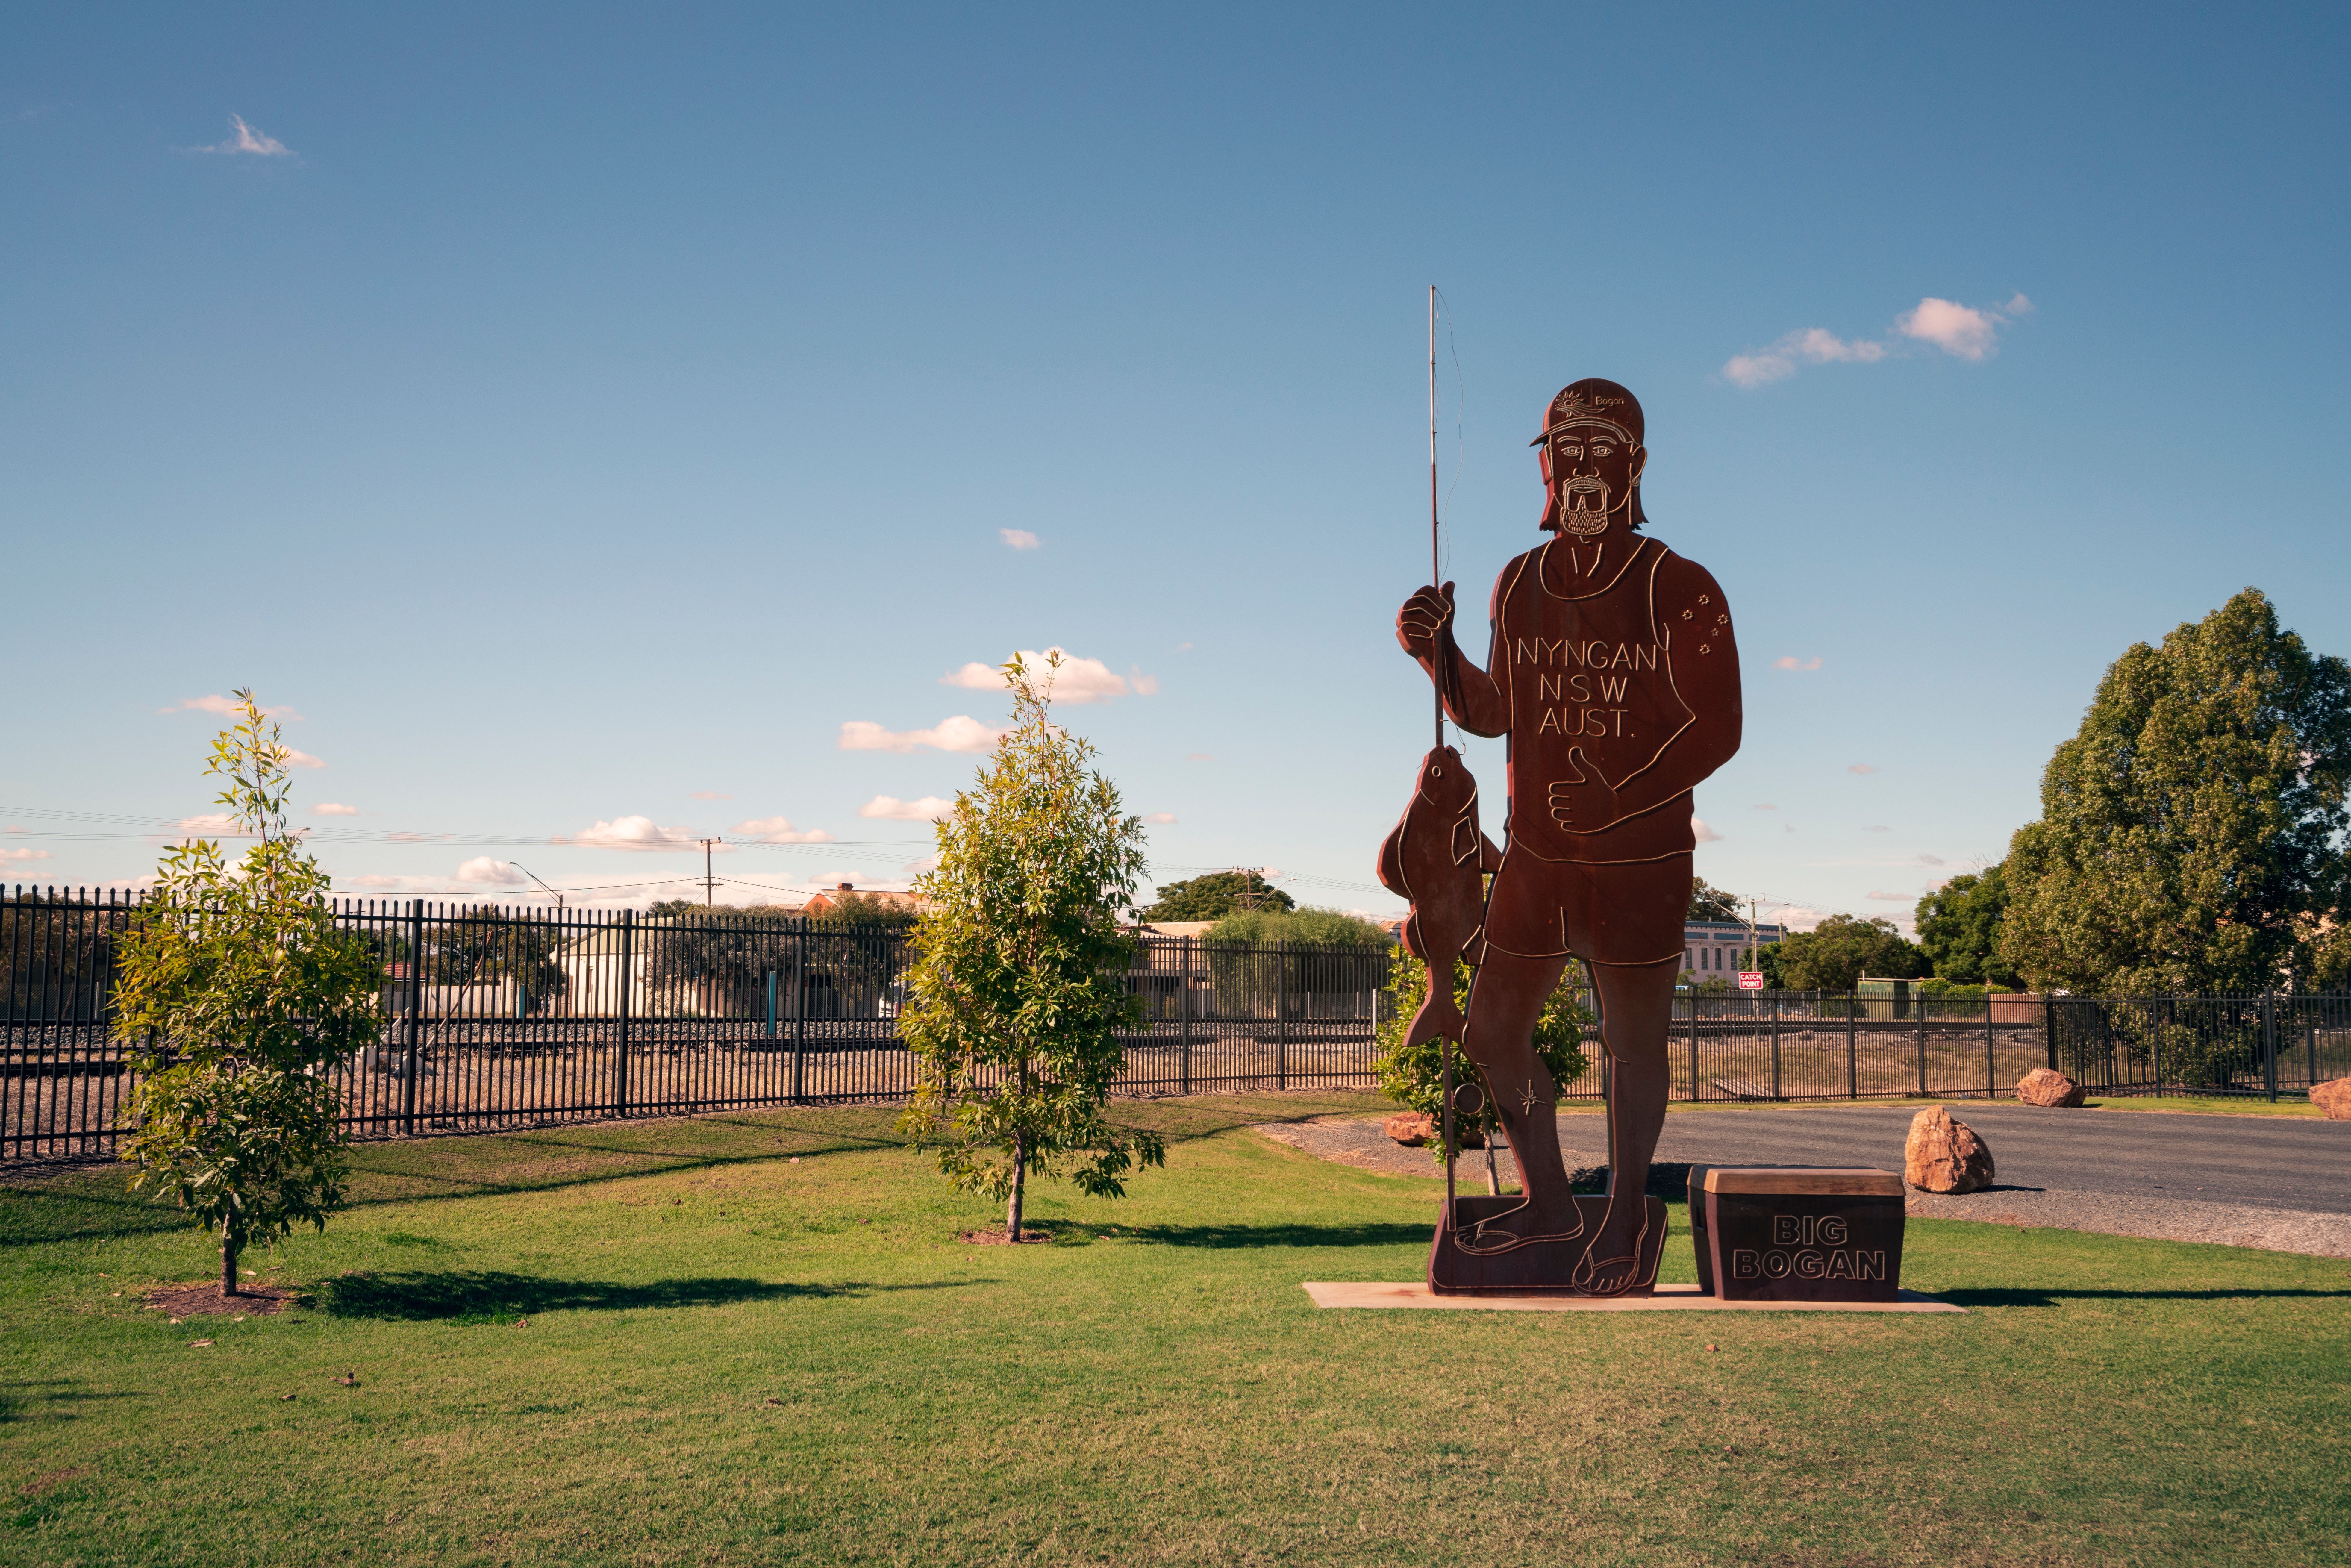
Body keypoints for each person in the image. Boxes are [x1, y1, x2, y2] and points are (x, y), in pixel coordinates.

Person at [1395, 378, 1742, 1293]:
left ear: (1632, 466)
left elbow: (1717, 727)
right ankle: (1552, 1203)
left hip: (1640, 860)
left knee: (1633, 1046)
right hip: (1540, 858)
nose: (1583, 469)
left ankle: (1624, 1220)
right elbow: (1497, 711)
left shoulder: (1679, 585)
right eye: (1566, 451)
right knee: (1491, 1034)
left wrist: (1620, 796)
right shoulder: (1519, 581)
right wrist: (1438, 656)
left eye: (1602, 451)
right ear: (1546, 466)